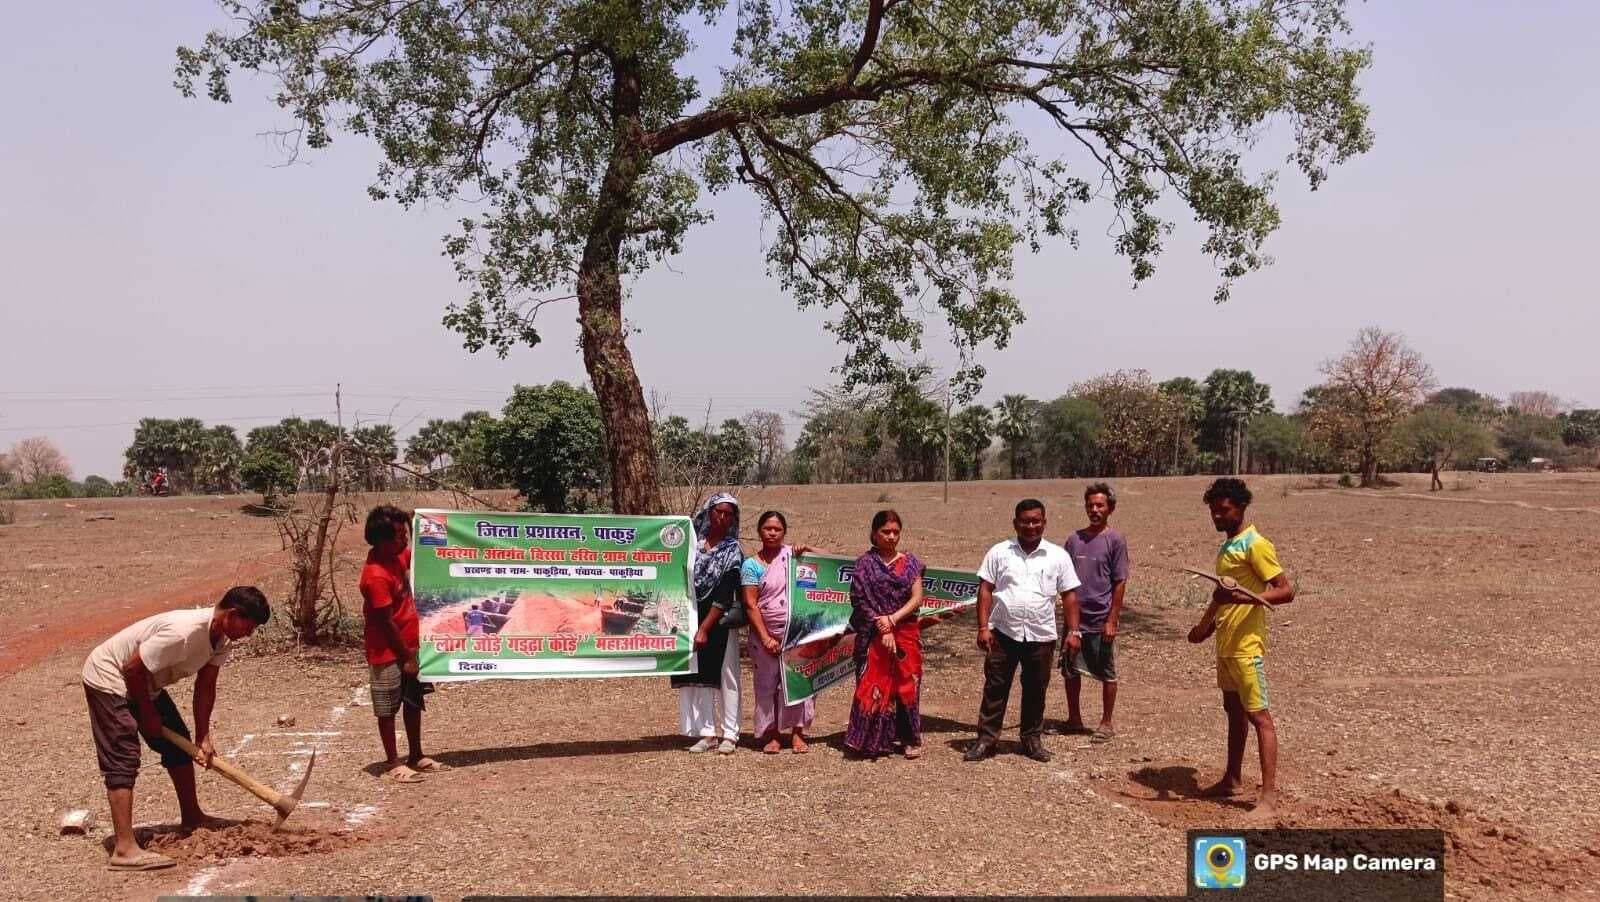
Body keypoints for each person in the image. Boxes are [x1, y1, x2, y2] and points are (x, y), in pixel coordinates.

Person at [81, 586, 271, 871]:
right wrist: (146, 714)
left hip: (144, 683)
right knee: (123, 756)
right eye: (249, 625)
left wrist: (203, 735)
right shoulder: (183, 633)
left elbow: (206, 686)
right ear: (232, 614)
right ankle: (124, 849)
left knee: (178, 745)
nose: (249, 633)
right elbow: (132, 668)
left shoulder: (221, 639)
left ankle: (193, 816)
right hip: (110, 678)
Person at [1187, 478, 1296, 818]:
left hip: (1247, 646)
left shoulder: (1256, 544)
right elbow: (1221, 595)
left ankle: (1268, 797)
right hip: (1226, 644)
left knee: (1259, 717)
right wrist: (1204, 627)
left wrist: (1244, 598)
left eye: (1223, 510)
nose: (1217, 516)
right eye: (1213, 511)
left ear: (1241, 507)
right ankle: (1231, 778)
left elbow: (1285, 590)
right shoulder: (1228, 546)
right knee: (1233, 712)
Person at [967, 499, 1081, 763]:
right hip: (1003, 633)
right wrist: (983, 627)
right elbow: (985, 589)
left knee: (1035, 689)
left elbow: (1070, 596)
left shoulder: (1057, 556)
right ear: (1015, 523)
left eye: (1036, 521)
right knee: (995, 686)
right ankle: (986, 739)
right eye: (1025, 521)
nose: (1031, 526)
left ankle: (1031, 739)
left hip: (1041, 635)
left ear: (1044, 522)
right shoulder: (999, 552)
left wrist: (1075, 632)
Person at [361, 504, 443, 783]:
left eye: (405, 533)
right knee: (388, 707)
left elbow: (422, 555)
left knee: (412, 700)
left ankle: (416, 754)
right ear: (382, 540)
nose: (405, 539)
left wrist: (422, 522)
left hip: (410, 646)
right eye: (398, 535)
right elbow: (385, 621)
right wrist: (405, 656)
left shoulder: (398, 557)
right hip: (387, 652)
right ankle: (393, 762)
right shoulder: (375, 576)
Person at [844, 510, 926, 759]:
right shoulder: (864, 565)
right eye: (886, 532)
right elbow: (859, 600)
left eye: (895, 532)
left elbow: (917, 598)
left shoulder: (910, 563)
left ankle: (909, 739)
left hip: (904, 633)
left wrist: (892, 620)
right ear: (874, 534)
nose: (891, 537)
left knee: (906, 684)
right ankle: (872, 741)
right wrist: (882, 627)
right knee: (873, 685)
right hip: (873, 634)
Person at [672, 492, 743, 755]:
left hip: (719, 618)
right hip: (692, 614)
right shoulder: (693, 546)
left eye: (728, 514)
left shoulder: (732, 550)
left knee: (726, 676)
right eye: (718, 512)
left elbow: (726, 589)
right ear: (708, 512)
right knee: (699, 675)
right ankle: (707, 732)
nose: (722, 518)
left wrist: (705, 627)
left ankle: (731, 733)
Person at [740, 511, 817, 754]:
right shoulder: (751, 565)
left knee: (799, 682)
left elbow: (829, 567)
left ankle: (798, 733)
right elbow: (750, 604)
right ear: (759, 531)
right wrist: (765, 638)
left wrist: (810, 549)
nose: (772, 533)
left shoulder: (793, 557)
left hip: (798, 633)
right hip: (765, 635)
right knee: (767, 685)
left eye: (778, 529)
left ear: (784, 532)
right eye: (767, 528)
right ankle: (772, 735)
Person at [1061, 482, 1130, 743]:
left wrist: (1112, 620)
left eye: (1100, 505)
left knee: (1107, 671)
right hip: (1074, 618)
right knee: (1071, 669)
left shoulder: (1115, 540)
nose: (1094, 509)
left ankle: (1106, 722)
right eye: (1090, 505)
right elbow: (1064, 579)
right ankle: (1074, 719)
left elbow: (1120, 582)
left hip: (1101, 618)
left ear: (1110, 508)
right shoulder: (1074, 539)